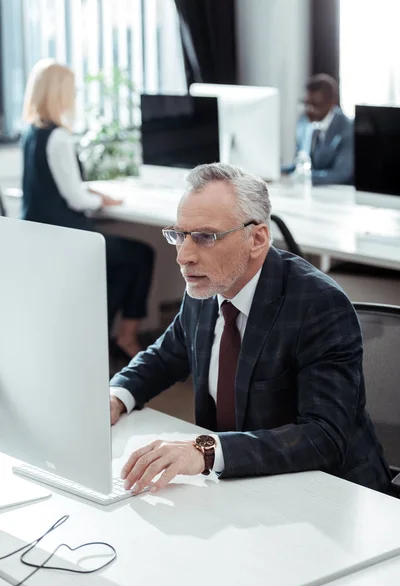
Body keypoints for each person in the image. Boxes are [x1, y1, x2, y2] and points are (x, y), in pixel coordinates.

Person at [109, 162, 392, 496]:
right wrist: (116, 396)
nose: (183, 256)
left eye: (204, 237)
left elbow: (324, 437)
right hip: (239, 487)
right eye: (179, 235)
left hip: (329, 494)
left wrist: (205, 451)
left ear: (257, 238)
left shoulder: (319, 305)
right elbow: (165, 356)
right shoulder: (206, 287)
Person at [21, 59, 154, 358]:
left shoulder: (32, 131)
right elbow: (75, 200)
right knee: (141, 255)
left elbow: (54, 183)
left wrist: (87, 189)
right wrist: (103, 201)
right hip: (65, 238)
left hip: (38, 235)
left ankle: (99, 339)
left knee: (121, 265)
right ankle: (126, 337)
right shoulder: (58, 136)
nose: (75, 97)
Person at [282, 73, 354, 186]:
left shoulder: (347, 128)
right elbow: (300, 164)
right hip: (311, 192)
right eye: (306, 104)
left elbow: (341, 174)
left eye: (316, 105)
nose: (309, 110)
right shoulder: (304, 122)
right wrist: (278, 171)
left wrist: (303, 177)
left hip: (338, 195)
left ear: (332, 103)